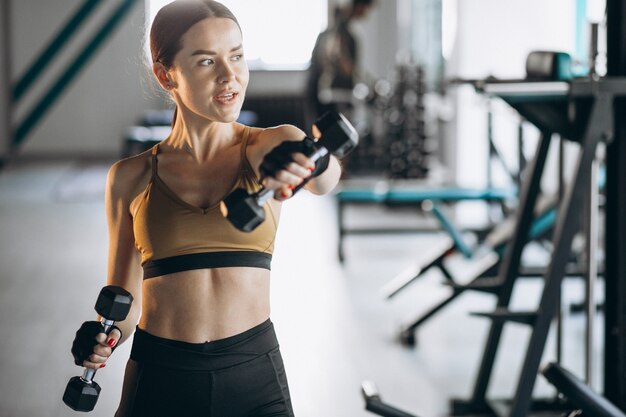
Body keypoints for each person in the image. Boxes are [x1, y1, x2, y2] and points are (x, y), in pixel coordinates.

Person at [69, 1, 341, 416]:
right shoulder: (130, 177)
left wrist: (312, 161)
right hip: (160, 376)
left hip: (254, 376)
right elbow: (125, 300)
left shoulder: (267, 146)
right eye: (206, 61)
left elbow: (324, 176)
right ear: (166, 75)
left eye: (236, 56)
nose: (229, 76)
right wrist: (102, 339)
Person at [305, 0, 375, 123]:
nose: (367, 13)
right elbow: (346, 66)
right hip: (334, 96)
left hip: (336, 95)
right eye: (367, 9)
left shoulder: (344, 32)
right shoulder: (338, 34)